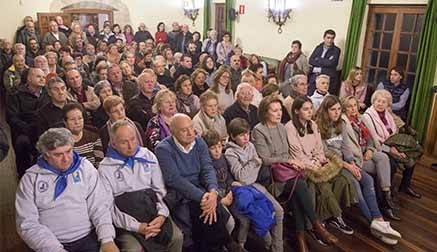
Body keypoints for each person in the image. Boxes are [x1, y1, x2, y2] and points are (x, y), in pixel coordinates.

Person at [252, 95, 338, 251]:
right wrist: (289, 161)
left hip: (287, 173)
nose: (279, 114)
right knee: (299, 185)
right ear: (265, 113)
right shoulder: (259, 130)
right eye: (274, 111)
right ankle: (316, 225)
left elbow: (286, 153)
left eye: (280, 110)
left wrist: (289, 161)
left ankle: (301, 240)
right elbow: (265, 159)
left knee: (298, 189)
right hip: (272, 177)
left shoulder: (280, 127)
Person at [15, 128, 119, 252]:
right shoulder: (30, 179)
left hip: (88, 237)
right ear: (46, 154)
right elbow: (27, 223)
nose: (66, 159)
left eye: (68, 151)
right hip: (50, 243)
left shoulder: (85, 168)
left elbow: (99, 205)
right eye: (58, 154)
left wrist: (107, 239)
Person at [316, 95, 402, 245]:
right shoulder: (319, 126)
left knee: (367, 180)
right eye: (333, 110)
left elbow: (345, 147)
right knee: (355, 185)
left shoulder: (340, 123)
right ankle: (373, 224)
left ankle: (378, 218)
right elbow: (325, 153)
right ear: (325, 110)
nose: (336, 113)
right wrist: (347, 165)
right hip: (333, 165)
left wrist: (352, 163)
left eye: (338, 109)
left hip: (346, 162)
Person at [155, 113, 241, 252]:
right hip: (179, 192)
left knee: (210, 213)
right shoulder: (163, 149)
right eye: (184, 130)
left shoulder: (199, 142)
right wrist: (203, 197)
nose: (190, 133)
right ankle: (225, 243)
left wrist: (213, 192)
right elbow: (174, 179)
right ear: (173, 132)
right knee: (203, 213)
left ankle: (222, 245)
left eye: (191, 128)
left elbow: (207, 168)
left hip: (202, 189)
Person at [98, 120, 183, 252]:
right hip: (126, 221)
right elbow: (109, 207)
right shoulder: (105, 168)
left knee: (177, 237)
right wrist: (137, 227)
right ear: (113, 144)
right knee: (133, 249)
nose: (131, 145)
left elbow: (160, 190)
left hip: (153, 213)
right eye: (124, 142)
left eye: (133, 139)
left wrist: (161, 215)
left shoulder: (147, 155)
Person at [284, 96, 355, 240]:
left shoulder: (313, 125)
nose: (310, 112)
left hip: (317, 162)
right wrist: (312, 164)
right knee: (322, 186)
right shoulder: (290, 127)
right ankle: (324, 221)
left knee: (341, 179)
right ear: (297, 111)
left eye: (311, 108)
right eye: (305, 109)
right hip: (302, 166)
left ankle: (330, 216)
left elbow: (319, 149)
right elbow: (296, 153)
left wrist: (318, 160)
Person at [224, 118, 284, 252]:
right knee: (260, 218)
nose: (246, 137)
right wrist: (254, 163)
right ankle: (269, 245)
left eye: (248, 133)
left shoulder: (250, 146)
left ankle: (278, 248)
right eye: (241, 135)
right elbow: (241, 177)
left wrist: (251, 167)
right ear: (233, 136)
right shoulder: (230, 153)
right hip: (243, 193)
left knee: (279, 211)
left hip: (256, 186)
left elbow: (253, 174)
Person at [342, 96, 400, 221]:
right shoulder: (344, 122)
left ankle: (385, 194)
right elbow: (347, 147)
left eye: (355, 105)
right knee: (382, 168)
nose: (353, 109)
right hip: (357, 156)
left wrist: (369, 149)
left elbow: (370, 139)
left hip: (365, 151)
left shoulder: (360, 119)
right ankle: (384, 204)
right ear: (344, 108)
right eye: (349, 106)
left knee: (384, 158)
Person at [361, 90, 422, 199]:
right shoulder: (367, 116)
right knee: (392, 164)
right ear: (373, 101)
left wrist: (398, 148)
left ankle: (404, 186)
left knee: (411, 156)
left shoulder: (387, 113)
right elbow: (375, 140)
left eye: (383, 102)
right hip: (379, 148)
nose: (380, 104)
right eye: (378, 101)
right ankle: (385, 193)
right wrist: (391, 150)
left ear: (388, 104)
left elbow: (395, 132)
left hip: (392, 144)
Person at [6, 68, 50, 177]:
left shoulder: (47, 93)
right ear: (29, 78)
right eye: (38, 76)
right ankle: (24, 174)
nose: (42, 79)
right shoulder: (16, 94)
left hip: (44, 130)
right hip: (24, 130)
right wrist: (28, 129)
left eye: (43, 77)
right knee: (22, 142)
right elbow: (12, 118)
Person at [64, 102, 104, 168]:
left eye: (80, 118)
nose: (77, 122)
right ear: (65, 122)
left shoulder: (94, 137)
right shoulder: (61, 141)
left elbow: (99, 163)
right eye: (72, 119)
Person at [308, 29, 341, 95]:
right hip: (315, 76)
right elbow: (311, 60)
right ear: (324, 38)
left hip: (328, 77)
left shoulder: (336, 50)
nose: (330, 40)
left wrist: (318, 60)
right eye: (328, 38)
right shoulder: (318, 47)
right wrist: (326, 62)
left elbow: (332, 63)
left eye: (332, 38)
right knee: (310, 94)